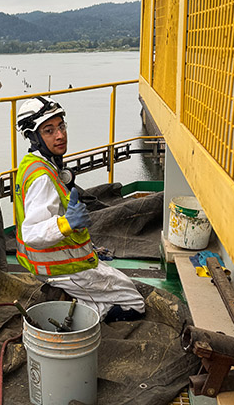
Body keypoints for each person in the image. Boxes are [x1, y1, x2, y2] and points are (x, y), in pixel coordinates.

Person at [14, 97, 145, 321]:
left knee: (118, 286)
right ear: (34, 137)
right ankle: (83, 312)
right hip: (61, 268)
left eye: (61, 126)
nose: (60, 135)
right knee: (135, 303)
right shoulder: (42, 177)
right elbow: (31, 234)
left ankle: (76, 299)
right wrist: (67, 223)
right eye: (48, 130)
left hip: (55, 262)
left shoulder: (34, 163)